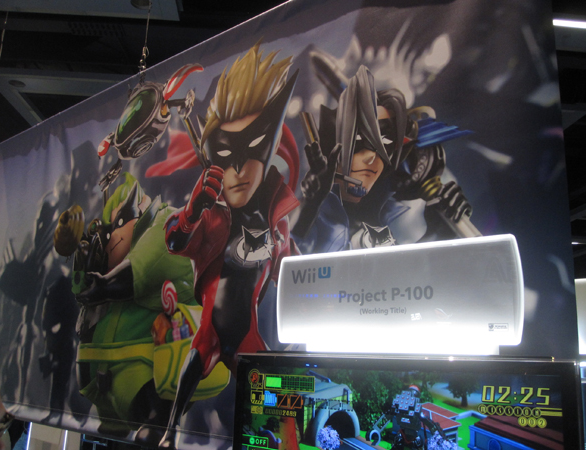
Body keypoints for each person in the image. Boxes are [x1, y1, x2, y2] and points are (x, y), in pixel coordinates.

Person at [160, 42, 300, 449]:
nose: (238, 169)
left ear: (269, 150)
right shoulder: (214, 217)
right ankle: (170, 432)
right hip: (211, 331)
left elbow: (293, 276)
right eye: (226, 154)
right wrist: (192, 211)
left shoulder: (278, 223)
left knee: (282, 412)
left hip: (248, 338)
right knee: (196, 359)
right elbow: (175, 239)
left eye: (251, 151)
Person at [58, 173, 198, 445]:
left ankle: (161, 419)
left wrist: (101, 285)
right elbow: (84, 292)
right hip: (107, 386)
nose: (110, 238)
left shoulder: (164, 224)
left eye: (116, 226)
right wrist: (85, 265)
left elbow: (136, 272)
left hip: (146, 374)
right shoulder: (116, 254)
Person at [293, 65, 473, 253]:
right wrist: (313, 205)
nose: (372, 155)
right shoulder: (325, 215)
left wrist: (439, 234)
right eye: (360, 141)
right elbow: (294, 257)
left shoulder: (406, 202)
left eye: (385, 141)